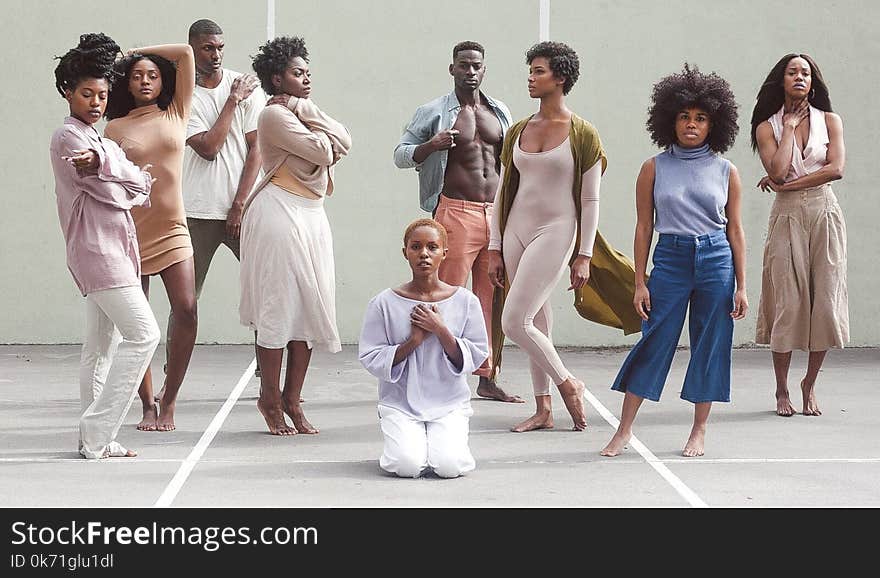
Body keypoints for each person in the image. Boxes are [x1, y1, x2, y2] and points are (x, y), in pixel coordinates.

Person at [488, 41, 641, 433]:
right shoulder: (519, 129)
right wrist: (495, 245)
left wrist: (584, 254)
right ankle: (543, 410)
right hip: (515, 229)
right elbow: (503, 189)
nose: (530, 77)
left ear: (560, 77)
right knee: (537, 317)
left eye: (538, 71)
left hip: (557, 230)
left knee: (514, 320)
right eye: (531, 70)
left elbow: (590, 199)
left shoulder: (583, 133)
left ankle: (568, 383)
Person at [600, 64, 748, 458]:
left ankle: (699, 430)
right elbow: (644, 227)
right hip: (671, 258)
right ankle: (624, 429)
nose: (691, 124)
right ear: (671, 119)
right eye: (684, 116)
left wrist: (743, 286)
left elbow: (735, 230)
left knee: (710, 343)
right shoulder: (654, 167)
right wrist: (639, 282)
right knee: (655, 339)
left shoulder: (726, 170)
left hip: (717, 259)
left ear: (714, 124)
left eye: (701, 118)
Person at [50, 32, 161, 458]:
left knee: (100, 348)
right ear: (67, 93)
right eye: (86, 94)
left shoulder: (102, 142)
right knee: (144, 334)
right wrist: (119, 175)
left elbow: (140, 185)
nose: (95, 102)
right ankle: (98, 428)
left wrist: (110, 166)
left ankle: (94, 438)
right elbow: (121, 193)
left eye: (101, 95)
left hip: (116, 251)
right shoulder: (67, 138)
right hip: (98, 254)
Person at [393, 41, 522, 405]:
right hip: (455, 212)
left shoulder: (500, 112)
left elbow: (511, 162)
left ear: (484, 69)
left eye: (476, 65)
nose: (470, 71)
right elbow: (401, 154)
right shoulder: (434, 111)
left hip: (496, 214)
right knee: (445, 295)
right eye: (463, 65)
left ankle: (486, 376)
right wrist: (431, 145)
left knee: (490, 298)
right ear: (452, 69)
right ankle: (435, 374)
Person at [240, 36, 351, 435]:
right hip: (278, 212)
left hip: (312, 215)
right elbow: (325, 150)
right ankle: (269, 399)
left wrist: (305, 108)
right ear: (276, 78)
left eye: (308, 73)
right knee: (278, 309)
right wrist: (318, 131)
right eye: (297, 74)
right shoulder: (272, 116)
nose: (306, 79)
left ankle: (292, 399)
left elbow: (345, 140)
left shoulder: (300, 109)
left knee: (308, 308)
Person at [104, 41, 196, 432]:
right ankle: (146, 404)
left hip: (173, 228)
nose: (145, 80)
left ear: (163, 82)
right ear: (128, 83)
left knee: (187, 309)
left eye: (153, 75)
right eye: (137, 75)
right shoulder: (115, 128)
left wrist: (134, 52)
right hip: (131, 233)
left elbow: (186, 54)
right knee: (139, 326)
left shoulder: (177, 111)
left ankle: (170, 399)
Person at [750, 53, 848, 417]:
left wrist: (785, 185)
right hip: (787, 218)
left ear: (813, 80)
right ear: (781, 80)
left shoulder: (830, 121)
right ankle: (781, 389)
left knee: (825, 299)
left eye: (805, 72)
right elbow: (776, 169)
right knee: (787, 303)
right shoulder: (767, 127)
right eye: (792, 72)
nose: (799, 77)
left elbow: (836, 169)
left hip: (824, 212)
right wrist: (788, 128)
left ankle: (810, 383)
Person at [359, 219, 487, 478]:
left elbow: (477, 352)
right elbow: (371, 355)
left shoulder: (465, 301)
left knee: (449, 467)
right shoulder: (384, 303)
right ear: (405, 252)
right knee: (406, 466)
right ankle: (404, 436)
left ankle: (439, 441)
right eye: (416, 247)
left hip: (448, 402)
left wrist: (440, 329)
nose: (424, 254)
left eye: (432, 247)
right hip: (400, 401)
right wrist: (413, 341)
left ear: (444, 253)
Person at [182, 19, 264, 376]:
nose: (215, 55)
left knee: (266, 292)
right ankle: (175, 370)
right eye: (207, 48)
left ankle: (269, 372)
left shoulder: (246, 85)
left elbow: (257, 149)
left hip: (244, 211)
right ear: (192, 50)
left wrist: (239, 204)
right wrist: (231, 101)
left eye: (219, 47)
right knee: (185, 303)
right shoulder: (181, 95)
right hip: (196, 212)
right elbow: (210, 148)